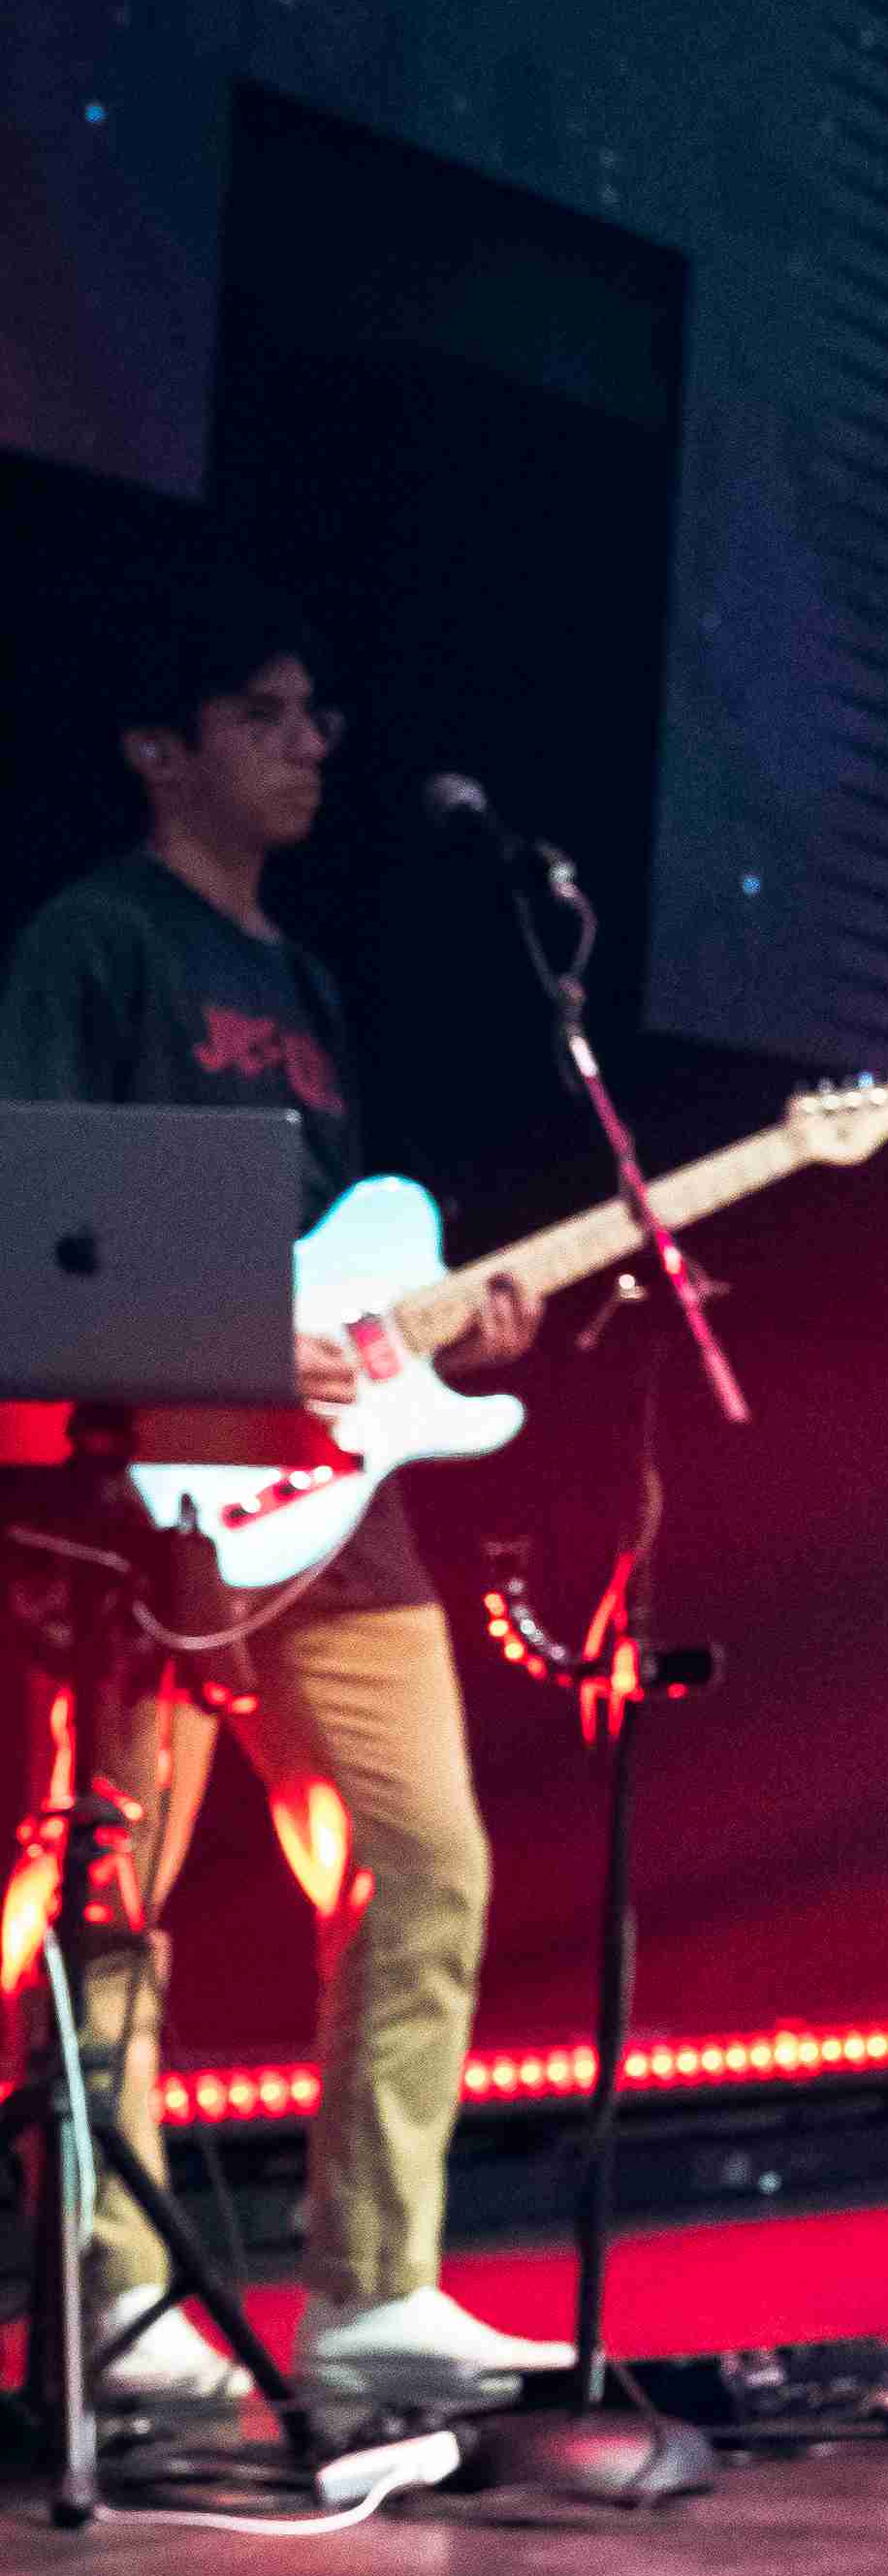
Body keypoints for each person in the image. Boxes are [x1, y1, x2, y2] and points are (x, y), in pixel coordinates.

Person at [0, 566, 558, 2435]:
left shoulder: (305, 982)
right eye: (269, 713)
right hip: (136, 1502)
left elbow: (335, 1273)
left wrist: (440, 1332)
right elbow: (38, 1223)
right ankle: (125, 2303)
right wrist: (237, 1330)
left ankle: (373, 2290)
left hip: (338, 1513)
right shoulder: (95, 943)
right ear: (162, 747)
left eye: (319, 712)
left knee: (431, 1860)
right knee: (108, 1896)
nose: (315, 742)